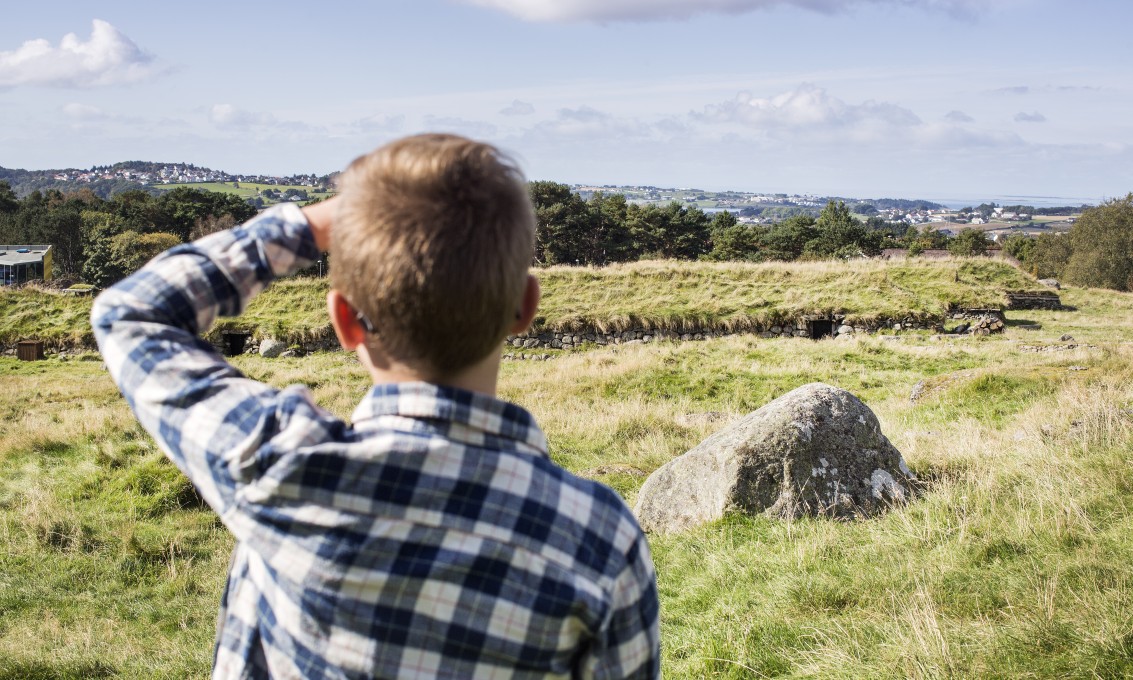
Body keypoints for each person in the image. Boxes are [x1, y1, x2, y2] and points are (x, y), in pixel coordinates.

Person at [92, 134, 660, 679]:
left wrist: (308, 225)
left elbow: (133, 315)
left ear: (343, 319)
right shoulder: (600, 538)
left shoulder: (281, 463)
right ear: (525, 307)